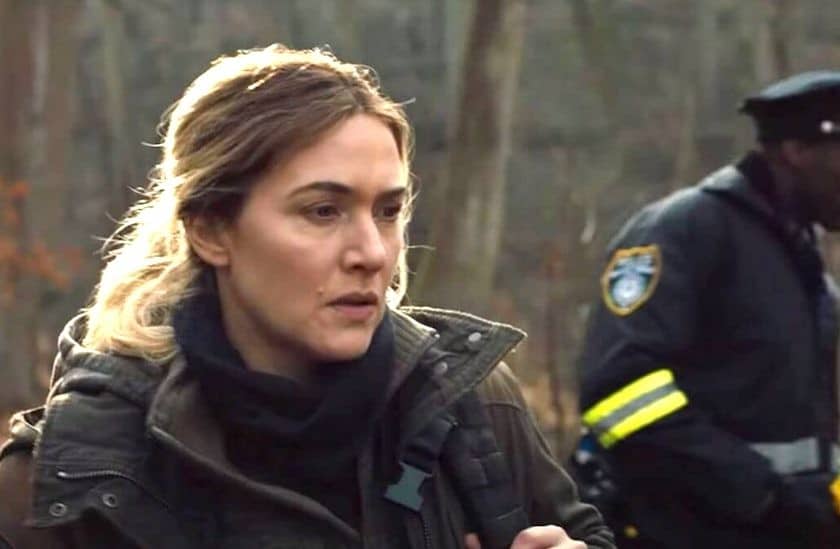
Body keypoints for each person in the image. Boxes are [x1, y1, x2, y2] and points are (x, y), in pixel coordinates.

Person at [0, 45, 613, 549]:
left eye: (388, 211)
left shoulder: (471, 403)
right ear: (211, 229)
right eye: (323, 211)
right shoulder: (69, 478)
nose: (371, 251)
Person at [578, 71, 840, 549]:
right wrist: (766, 495)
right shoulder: (685, 231)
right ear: (797, 151)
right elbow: (618, 394)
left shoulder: (801, 253)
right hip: (688, 532)